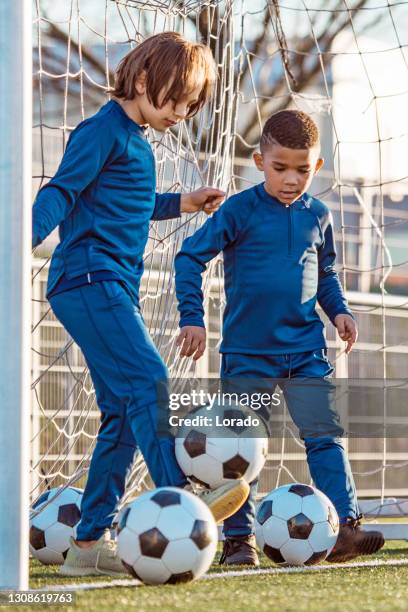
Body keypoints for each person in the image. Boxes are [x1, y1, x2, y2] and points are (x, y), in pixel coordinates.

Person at [32, 32, 249, 577]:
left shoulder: (136, 141)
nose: (181, 113)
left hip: (113, 285)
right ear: (146, 81)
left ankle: (84, 548)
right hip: (87, 280)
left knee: (121, 416)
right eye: (176, 100)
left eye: (191, 105)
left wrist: (183, 202)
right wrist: (16, 245)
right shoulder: (101, 130)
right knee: (149, 381)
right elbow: (61, 191)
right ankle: (183, 501)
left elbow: (131, 203)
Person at [175, 109, 385, 566]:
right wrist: (192, 317)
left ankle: (344, 530)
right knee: (238, 450)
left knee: (326, 437)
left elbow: (325, 274)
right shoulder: (239, 210)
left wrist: (340, 311)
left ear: (318, 167)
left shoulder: (320, 215)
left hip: (307, 351)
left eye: (302, 170)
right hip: (248, 356)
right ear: (258, 160)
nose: (291, 179)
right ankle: (237, 541)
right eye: (280, 168)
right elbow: (189, 258)